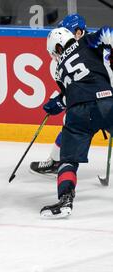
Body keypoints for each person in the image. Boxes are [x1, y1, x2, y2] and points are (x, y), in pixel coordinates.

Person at [40, 26, 113, 219]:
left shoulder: (59, 69)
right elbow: (108, 31)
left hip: (79, 112)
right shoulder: (86, 41)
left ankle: (65, 200)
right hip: (106, 101)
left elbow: (70, 94)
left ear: (57, 47)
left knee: (68, 161)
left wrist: (57, 103)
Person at [30, 14, 113, 177]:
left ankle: (58, 163)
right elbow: (75, 91)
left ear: (79, 32)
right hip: (101, 96)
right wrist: (62, 100)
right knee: (71, 118)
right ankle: (56, 161)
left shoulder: (92, 43)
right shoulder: (70, 55)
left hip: (104, 95)